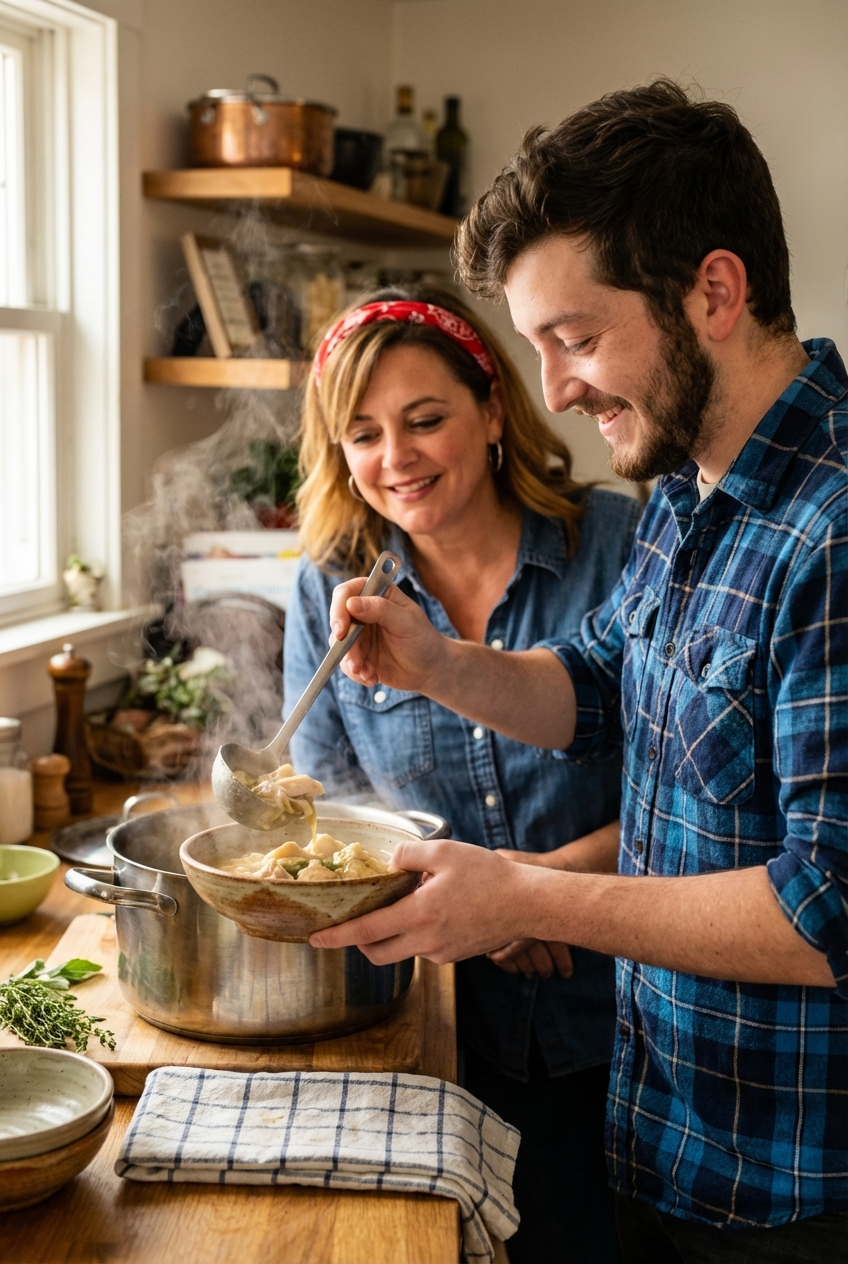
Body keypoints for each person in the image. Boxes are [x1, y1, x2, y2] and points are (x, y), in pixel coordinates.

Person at [310, 81, 848, 1263]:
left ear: (713, 290)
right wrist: (442, 662)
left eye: (576, 337)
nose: (553, 389)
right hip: (661, 1137)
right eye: (538, 346)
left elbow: (827, 912)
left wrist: (525, 893)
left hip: (792, 1194)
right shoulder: (682, 489)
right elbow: (598, 686)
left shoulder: (832, 531)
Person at [284, 285, 642, 1262]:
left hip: (625, 1026)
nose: (393, 459)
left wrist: (536, 891)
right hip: (433, 1026)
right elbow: (324, 822)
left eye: (423, 419)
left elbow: (685, 797)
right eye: (360, 434)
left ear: (491, 412)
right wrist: (472, 905)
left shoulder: (616, 544)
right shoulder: (330, 584)